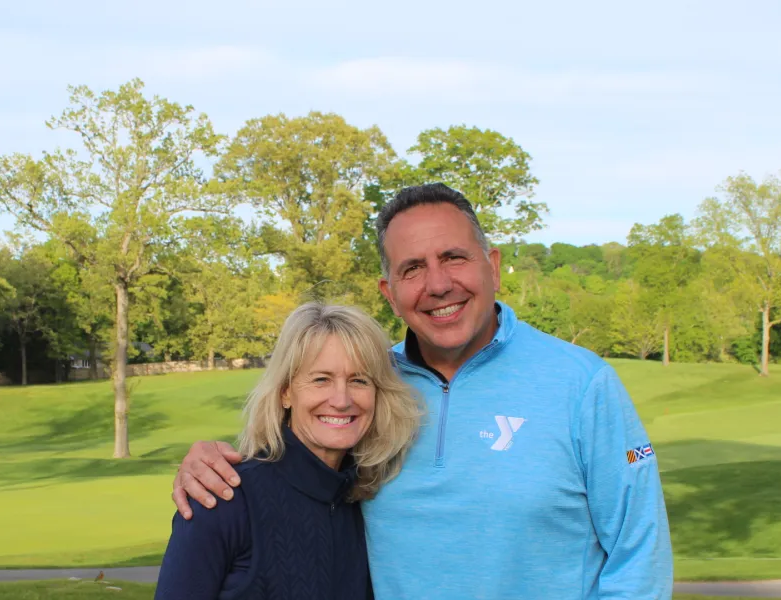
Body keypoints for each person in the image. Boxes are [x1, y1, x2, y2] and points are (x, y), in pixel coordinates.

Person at [171, 183, 674, 599]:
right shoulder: (371, 386)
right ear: (389, 292)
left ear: (493, 266)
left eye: (453, 257)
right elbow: (298, 464)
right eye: (412, 268)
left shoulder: (583, 383)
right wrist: (209, 458)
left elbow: (639, 555)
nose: (437, 284)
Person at [154, 302, 425, 599]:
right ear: (285, 392)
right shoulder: (222, 497)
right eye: (321, 379)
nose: (341, 399)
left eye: (359, 380)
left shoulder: (365, 506)